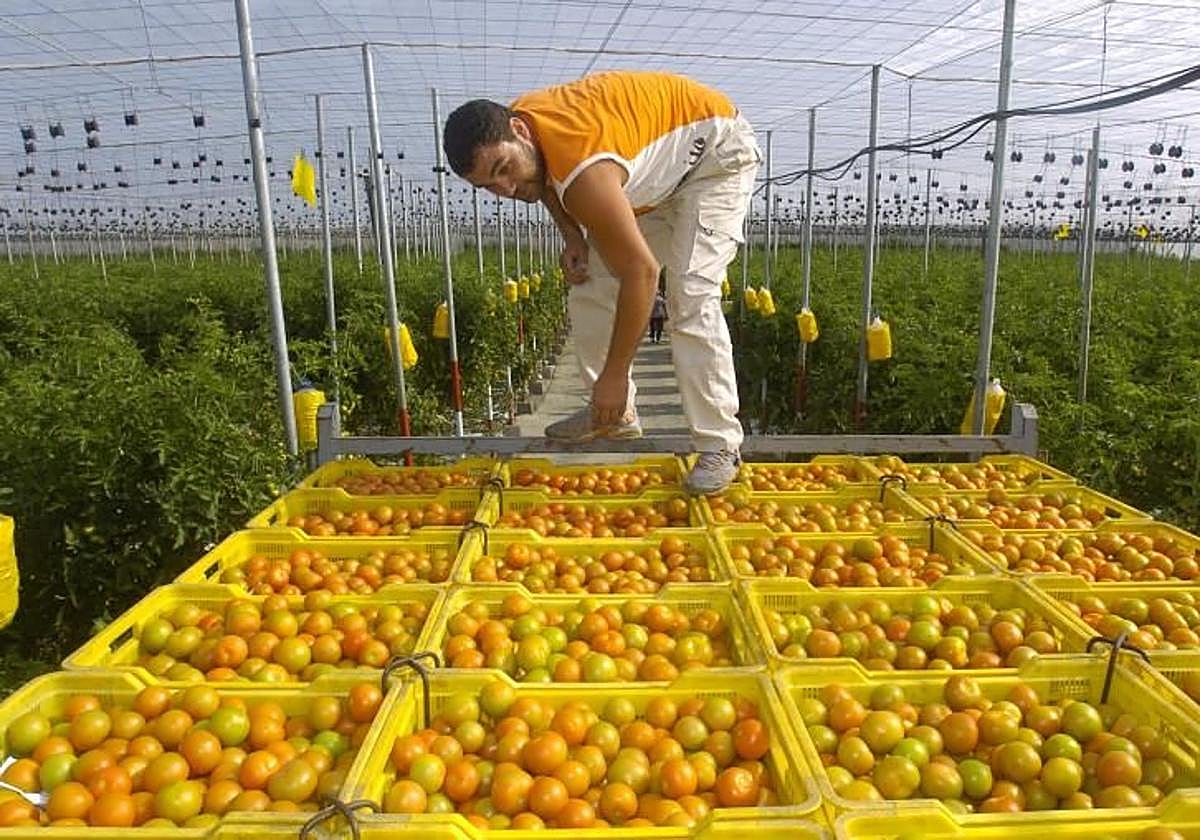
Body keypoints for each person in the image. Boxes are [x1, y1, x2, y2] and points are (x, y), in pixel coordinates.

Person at [443, 70, 759, 494]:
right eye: (489, 186)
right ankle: (614, 414)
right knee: (590, 280)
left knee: (691, 296)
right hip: (656, 183)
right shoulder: (525, 128)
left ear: (519, 131)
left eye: (504, 169)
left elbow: (642, 273)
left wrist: (615, 373)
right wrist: (571, 234)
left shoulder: (584, 169)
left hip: (714, 159)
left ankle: (720, 444)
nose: (507, 188)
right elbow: (541, 181)